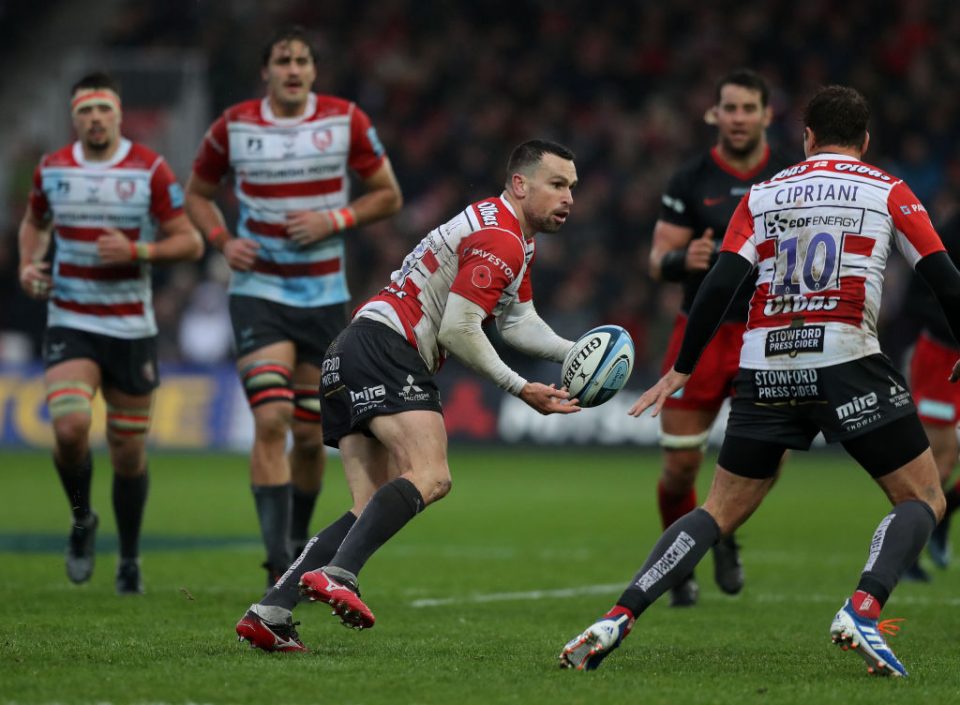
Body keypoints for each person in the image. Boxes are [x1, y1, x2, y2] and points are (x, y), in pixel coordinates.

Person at [560, 86, 959, 677]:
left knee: (716, 512)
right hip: (846, 359)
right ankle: (863, 607)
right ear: (866, 141)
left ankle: (617, 616)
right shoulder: (888, 190)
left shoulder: (765, 193)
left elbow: (720, 285)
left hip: (765, 365)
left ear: (806, 138)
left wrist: (682, 367)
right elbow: (943, 276)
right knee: (925, 497)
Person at [235, 138, 582, 651]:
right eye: (557, 184)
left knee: (367, 506)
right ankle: (342, 574)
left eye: (572, 187)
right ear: (520, 184)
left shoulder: (512, 235)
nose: (568, 197)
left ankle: (271, 610)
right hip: (387, 348)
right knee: (432, 474)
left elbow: (518, 320)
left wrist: (576, 351)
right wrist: (519, 386)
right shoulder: (501, 237)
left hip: (351, 348)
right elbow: (458, 330)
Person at [185, 26, 403, 585]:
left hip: (324, 296)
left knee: (310, 436)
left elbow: (388, 194)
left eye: (302, 60)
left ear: (313, 70)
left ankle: (295, 541)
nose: (292, 68)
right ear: (266, 71)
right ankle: (277, 561)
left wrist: (334, 219)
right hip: (259, 293)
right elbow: (197, 195)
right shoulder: (233, 127)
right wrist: (223, 242)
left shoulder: (345, 120)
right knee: (271, 418)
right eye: (282, 60)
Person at [17, 72, 203, 594]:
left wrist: (138, 251)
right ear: (73, 117)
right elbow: (34, 223)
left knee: (127, 453)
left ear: (118, 115)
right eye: (85, 111)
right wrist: (29, 264)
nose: (95, 118)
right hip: (71, 320)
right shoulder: (53, 171)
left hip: (130, 327)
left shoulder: (149, 170)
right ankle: (81, 520)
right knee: (71, 430)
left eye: (103, 109)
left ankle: (128, 555)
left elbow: (188, 242)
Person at [648, 69, 794, 606]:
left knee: (771, 456)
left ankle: (722, 530)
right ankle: (680, 568)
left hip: (768, 331)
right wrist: (678, 259)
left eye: (747, 108)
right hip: (701, 333)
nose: (737, 118)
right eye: (728, 108)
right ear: (715, 114)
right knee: (680, 465)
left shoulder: (787, 175)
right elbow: (655, 262)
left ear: (765, 114)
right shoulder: (689, 179)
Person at [902, 212, 960, 570]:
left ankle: (944, 513)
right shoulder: (949, 232)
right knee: (941, 459)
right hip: (941, 358)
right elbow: (914, 301)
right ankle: (906, 550)